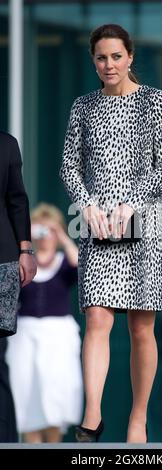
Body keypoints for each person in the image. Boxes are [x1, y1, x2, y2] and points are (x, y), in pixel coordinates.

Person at [60, 23, 162, 444]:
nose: (108, 64)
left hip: (143, 222)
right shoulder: (83, 106)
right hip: (95, 224)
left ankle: (138, 420)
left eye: (115, 56)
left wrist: (132, 201)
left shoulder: (155, 101)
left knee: (141, 328)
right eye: (100, 58)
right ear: (93, 61)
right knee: (96, 318)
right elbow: (69, 166)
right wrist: (87, 205)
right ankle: (91, 418)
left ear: (130, 57)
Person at [6, 203, 83, 443]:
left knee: (55, 391)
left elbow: (79, 266)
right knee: (25, 390)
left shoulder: (63, 261)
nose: (45, 236)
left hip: (57, 335)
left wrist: (60, 234)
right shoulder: (24, 264)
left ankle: (53, 447)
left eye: (48, 230)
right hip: (25, 335)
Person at [0, 131, 36, 442]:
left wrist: (26, 251)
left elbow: (17, 200)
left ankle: (6, 441)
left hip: (1, 261)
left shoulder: (5, 144)